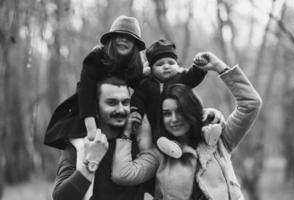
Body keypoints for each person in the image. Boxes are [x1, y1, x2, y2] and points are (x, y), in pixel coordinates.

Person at [111, 52, 263, 200]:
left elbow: (251, 104)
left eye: (180, 111)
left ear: (191, 109)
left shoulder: (220, 141)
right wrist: (125, 133)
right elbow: (122, 174)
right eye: (167, 113)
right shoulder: (160, 155)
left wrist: (218, 67)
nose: (174, 119)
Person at [44, 15, 146, 149]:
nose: (123, 40)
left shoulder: (135, 66)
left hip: (112, 111)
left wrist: (135, 109)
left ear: (135, 46)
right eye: (119, 36)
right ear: (111, 39)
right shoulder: (96, 58)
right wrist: (91, 127)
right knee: (83, 144)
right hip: (86, 108)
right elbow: (86, 90)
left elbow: (141, 89)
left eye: (129, 38)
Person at [52, 76, 152, 200]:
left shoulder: (137, 142)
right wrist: (91, 161)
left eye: (125, 102)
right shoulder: (80, 145)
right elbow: (61, 198)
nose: (121, 109)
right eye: (111, 103)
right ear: (95, 107)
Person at [130, 39, 220, 157]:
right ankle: (172, 147)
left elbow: (193, 77)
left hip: (184, 117)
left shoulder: (181, 77)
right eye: (160, 64)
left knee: (198, 120)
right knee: (158, 135)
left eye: (171, 63)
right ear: (151, 69)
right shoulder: (146, 84)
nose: (166, 66)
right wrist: (136, 111)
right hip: (157, 122)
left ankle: (208, 134)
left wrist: (199, 67)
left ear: (177, 65)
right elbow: (138, 99)